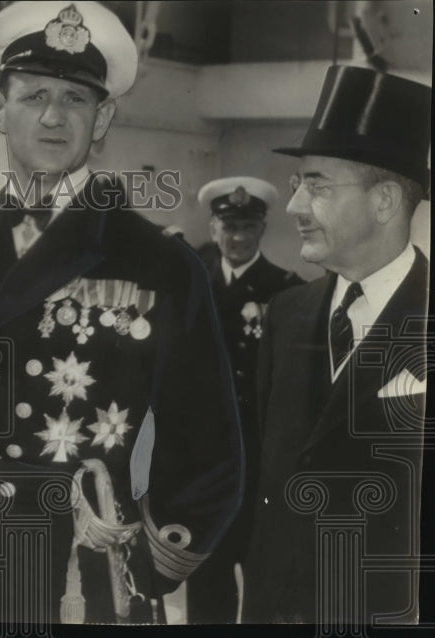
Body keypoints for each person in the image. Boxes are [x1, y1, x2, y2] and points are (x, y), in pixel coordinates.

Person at [0, 1, 242, 625]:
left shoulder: (159, 262)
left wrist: (148, 557)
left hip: (80, 568)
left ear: (103, 118)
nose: (53, 116)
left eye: (75, 98)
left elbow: (208, 445)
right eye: (34, 95)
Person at [244, 65, 429, 625]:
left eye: (318, 186)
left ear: (385, 201)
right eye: (298, 184)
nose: (295, 206)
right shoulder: (288, 312)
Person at [186, 176, 302, 623]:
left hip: (261, 462)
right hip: (205, 463)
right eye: (229, 227)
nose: (238, 237)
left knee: (264, 583)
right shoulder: (192, 285)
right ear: (213, 228)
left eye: (248, 227)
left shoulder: (287, 291)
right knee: (207, 580)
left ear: (262, 230)